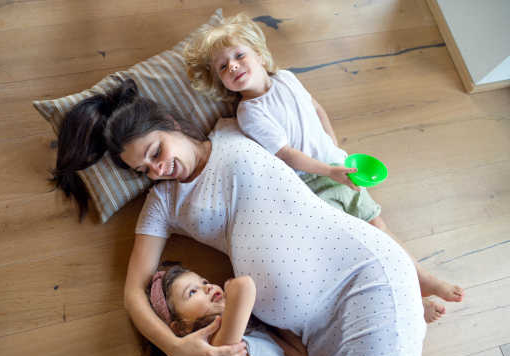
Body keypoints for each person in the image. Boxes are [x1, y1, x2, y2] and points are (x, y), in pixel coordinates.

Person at [52, 78, 425, 356]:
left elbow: (298, 100)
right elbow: (134, 292)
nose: (157, 169)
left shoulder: (232, 127)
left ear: (170, 123)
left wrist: (335, 157)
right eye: (143, 168)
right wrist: (178, 349)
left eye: (156, 152)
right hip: (312, 338)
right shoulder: (162, 203)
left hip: (359, 277)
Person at [183, 13, 464, 323]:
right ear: (220, 80)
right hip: (312, 186)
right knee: (363, 246)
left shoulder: (287, 78)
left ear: (260, 56)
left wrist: (335, 151)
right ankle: (411, 301)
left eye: (238, 55)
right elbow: (287, 154)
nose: (232, 66)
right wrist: (328, 171)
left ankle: (422, 277)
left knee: (380, 228)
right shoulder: (250, 112)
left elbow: (316, 108)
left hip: (337, 169)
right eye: (223, 66)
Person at [143, 265, 310, 356]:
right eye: (192, 292)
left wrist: (275, 314)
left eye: (204, 282)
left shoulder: (252, 333)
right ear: (181, 327)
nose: (207, 287)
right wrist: (232, 287)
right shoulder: (218, 351)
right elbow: (243, 286)